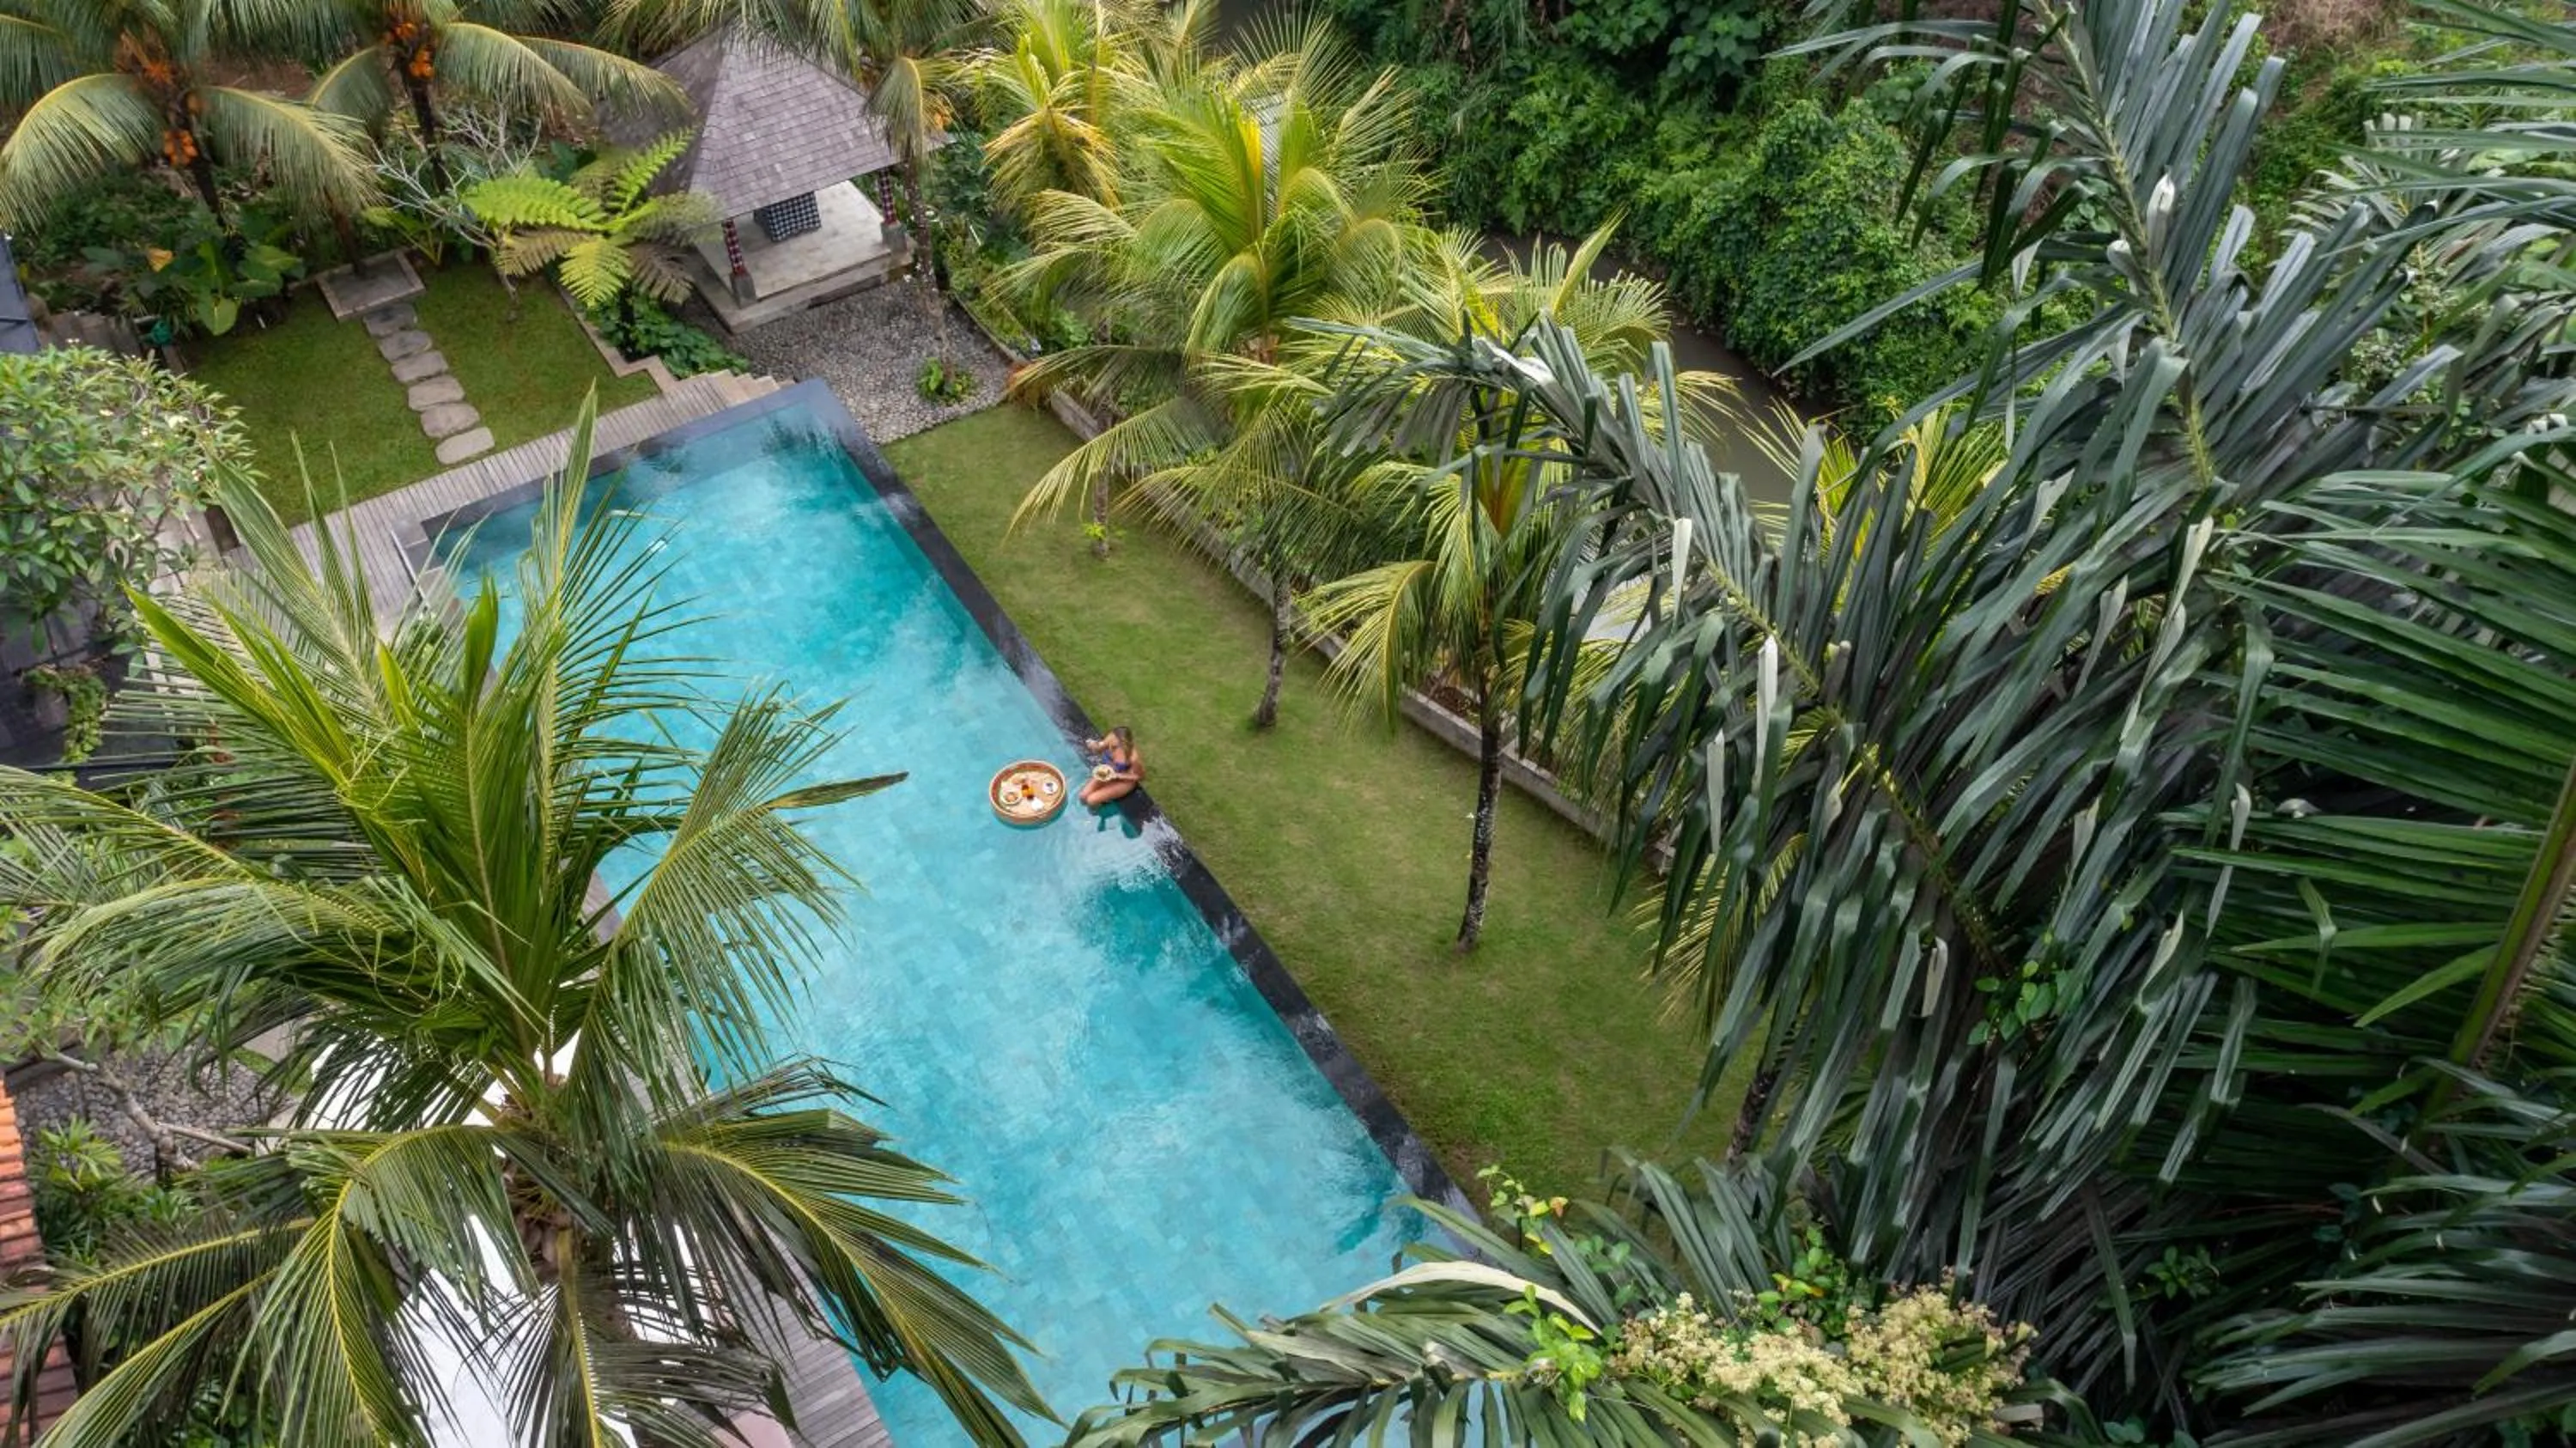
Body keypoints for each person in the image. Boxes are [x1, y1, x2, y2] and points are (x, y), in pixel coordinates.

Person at [1079, 726, 1142, 807]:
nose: (1111, 747)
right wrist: (1093, 745)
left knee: (1091, 800)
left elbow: (1139, 776)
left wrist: (1118, 776)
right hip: (1108, 773)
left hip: (1125, 781)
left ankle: (1103, 804)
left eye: (1116, 746)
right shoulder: (1110, 741)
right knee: (1083, 796)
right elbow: (1098, 748)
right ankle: (1104, 796)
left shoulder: (1133, 757)